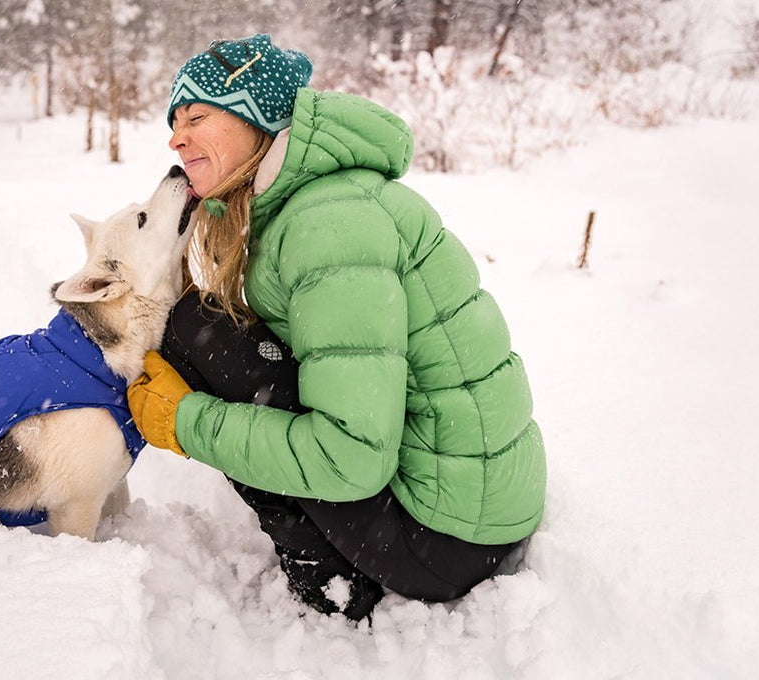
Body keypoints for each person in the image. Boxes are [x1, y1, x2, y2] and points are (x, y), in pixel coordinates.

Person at [127, 34, 546, 621]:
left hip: (446, 539)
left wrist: (185, 422)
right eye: (174, 124)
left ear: (259, 120)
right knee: (212, 330)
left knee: (193, 332)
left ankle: (333, 582)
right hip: (470, 506)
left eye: (197, 117)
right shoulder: (314, 201)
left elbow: (350, 455)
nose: (175, 139)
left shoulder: (327, 225)